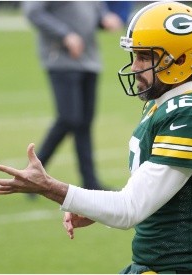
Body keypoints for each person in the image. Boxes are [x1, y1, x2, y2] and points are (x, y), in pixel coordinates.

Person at [0, 1, 192, 273]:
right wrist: (95, 207)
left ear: (180, 59)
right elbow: (150, 194)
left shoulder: (190, 116)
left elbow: (130, 209)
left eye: (144, 56)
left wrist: (49, 187)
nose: (135, 66)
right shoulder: (167, 105)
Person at [22, 2, 123, 191]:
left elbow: (94, 9)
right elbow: (33, 12)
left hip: (89, 60)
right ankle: (31, 175)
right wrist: (65, 34)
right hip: (61, 60)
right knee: (68, 119)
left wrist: (104, 18)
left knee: (84, 123)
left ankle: (90, 182)